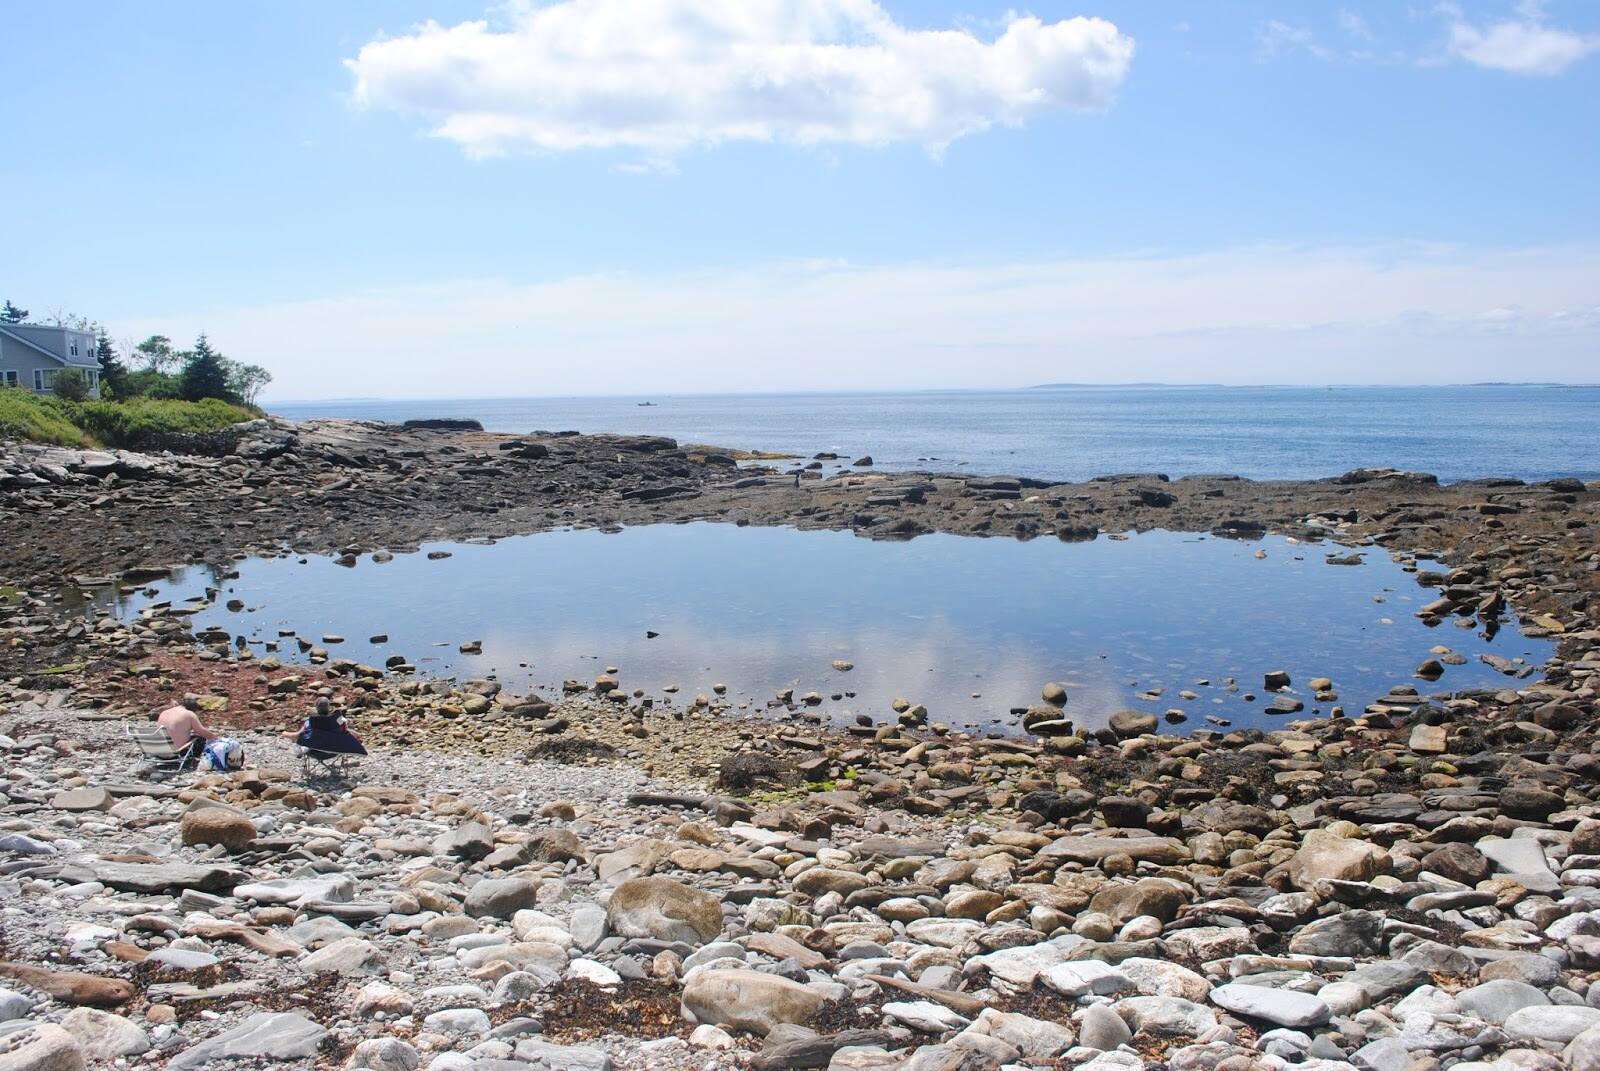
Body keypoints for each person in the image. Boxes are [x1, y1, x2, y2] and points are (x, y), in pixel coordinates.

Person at [153, 697, 217, 767]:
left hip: (158, 752)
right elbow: (201, 731)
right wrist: (214, 736)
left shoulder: (164, 712)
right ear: (193, 710)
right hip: (175, 754)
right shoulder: (189, 714)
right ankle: (190, 761)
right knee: (200, 739)